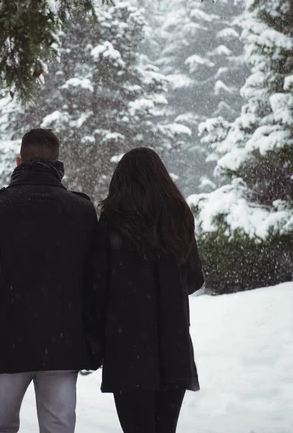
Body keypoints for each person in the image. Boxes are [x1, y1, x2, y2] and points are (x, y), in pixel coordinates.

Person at [0, 128, 98, 433]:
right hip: (63, 344)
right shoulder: (81, 209)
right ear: (58, 162)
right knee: (58, 428)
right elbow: (93, 283)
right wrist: (93, 340)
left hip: (5, 344)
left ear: (19, 160)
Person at [88, 147, 204, 433]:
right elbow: (194, 279)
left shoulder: (113, 220)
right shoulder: (179, 217)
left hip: (127, 349)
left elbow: (97, 287)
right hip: (173, 347)